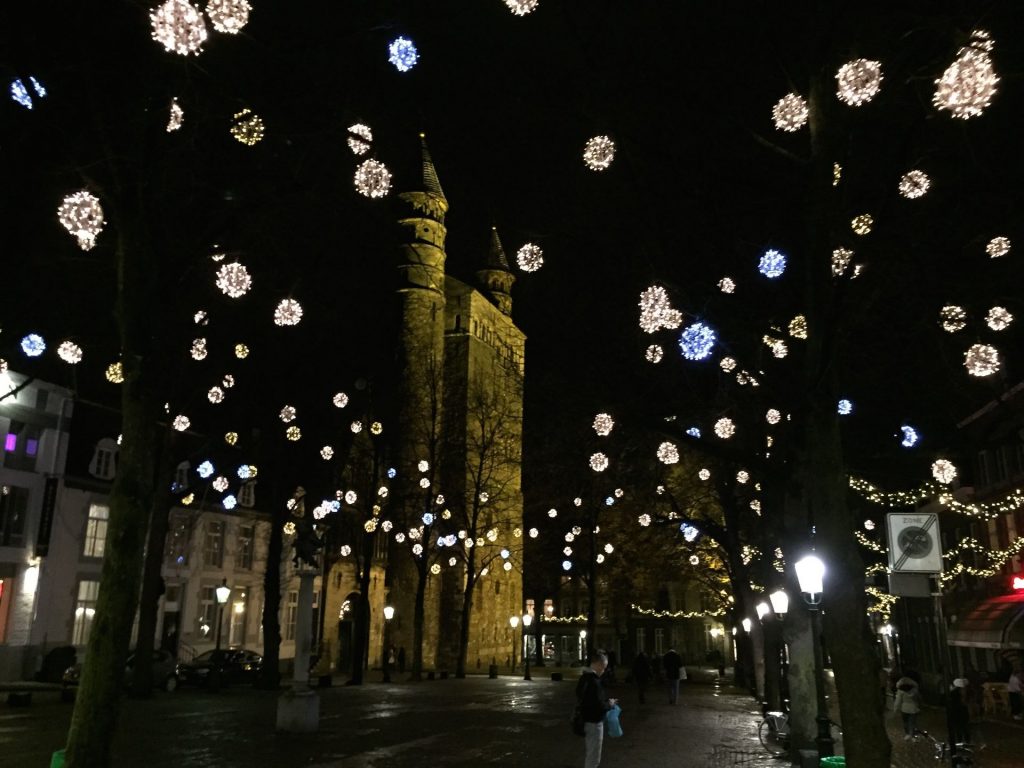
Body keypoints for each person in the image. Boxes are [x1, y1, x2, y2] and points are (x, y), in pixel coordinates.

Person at [577, 649, 618, 768]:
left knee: (590, 753)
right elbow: (599, 705)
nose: (604, 670)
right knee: (594, 757)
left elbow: (580, 695)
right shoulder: (594, 682)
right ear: (599, 664)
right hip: (595, 722)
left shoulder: (584, 678)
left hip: (586, 719)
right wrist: (609, 704)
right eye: (604, 667)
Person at [893, 673, 922, 740]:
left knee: (905, 722)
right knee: (912, 722)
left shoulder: (901, 691)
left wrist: (896, 708)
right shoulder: (915, 690)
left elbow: (898, 700)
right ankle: (912, 734)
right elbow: (918, 699)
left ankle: (907, 734)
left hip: (904, 708)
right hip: (913, 708)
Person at [947, 678, 971, 751]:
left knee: (960, 729)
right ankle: (964, 743)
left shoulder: (953, 693)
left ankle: (961, 743)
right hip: (960, 713)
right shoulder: (959, 693)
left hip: (957, 713)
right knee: (963, 729)